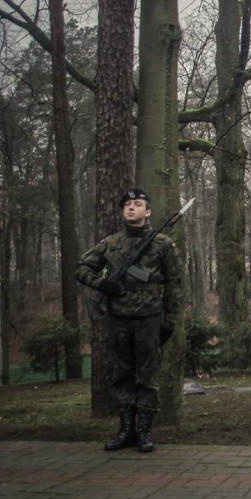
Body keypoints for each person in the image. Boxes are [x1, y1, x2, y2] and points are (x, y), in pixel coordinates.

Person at [76, 188, 182, 453]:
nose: (131, 208)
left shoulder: (163, 244)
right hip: (118, 317)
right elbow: (82, 268)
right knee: (122, 373)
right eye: (127, 205)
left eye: (137, 204)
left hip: (149, 318)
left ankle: (145, 431)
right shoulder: (111, 243)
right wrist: (102, 284)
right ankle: (126, 430)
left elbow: (174, 284)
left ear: (148, 212)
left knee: (148, 375)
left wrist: (170, 320)